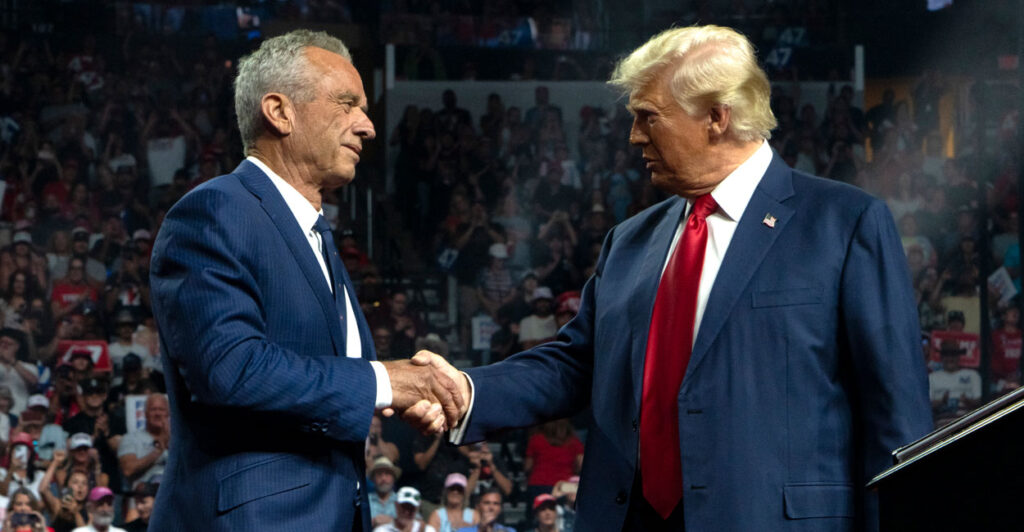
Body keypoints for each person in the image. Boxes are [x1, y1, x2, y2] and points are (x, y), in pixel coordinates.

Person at [418, 25, 932, 531]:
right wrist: (468, 391)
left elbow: (897, 421)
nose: (633, 134)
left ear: (716, 117)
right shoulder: (630, 241)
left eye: (648, 117)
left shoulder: (843, 223)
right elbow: (578, 365)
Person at [147, 30, 464, 531]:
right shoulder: (215, 211)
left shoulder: (315, 234)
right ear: (279, 111)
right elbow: (232, 369)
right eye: (346, 104)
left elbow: (321, 387)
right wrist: (386, 381)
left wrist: (396, 397)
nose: (368, 126)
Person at [368, 456, 401, 527]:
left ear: (394, 478)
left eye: (387, 474)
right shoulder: (365, 501)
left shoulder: (402, 501)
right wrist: (372, 522)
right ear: (373, 479)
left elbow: (417, 524)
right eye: (379, 474)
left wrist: (392, 521)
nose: (383, 478)